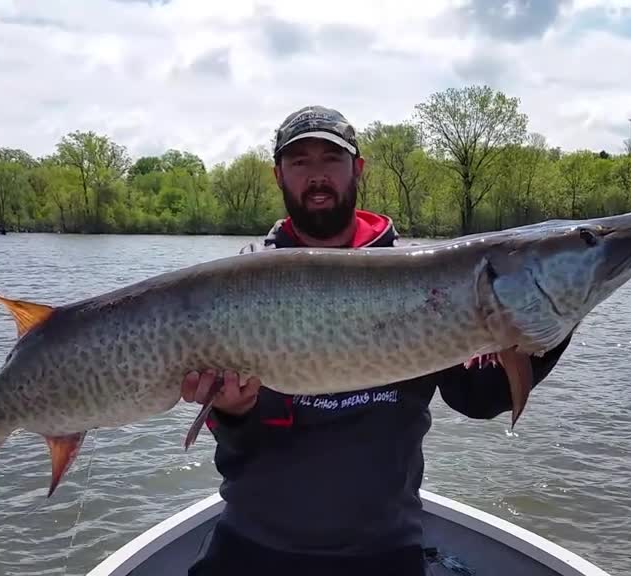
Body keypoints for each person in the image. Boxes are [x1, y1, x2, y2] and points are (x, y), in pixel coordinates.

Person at [181, 105, 573, 576]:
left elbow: (477, 397)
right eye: (300, 162)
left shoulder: (428, 277)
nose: (317, 176)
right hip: (255, 543)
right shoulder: (241, 280)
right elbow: (241, 437)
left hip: (383, 551)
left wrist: (555, 312)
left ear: (357, 169)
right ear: (278, 175)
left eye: (331, 159)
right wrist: (233, 410)